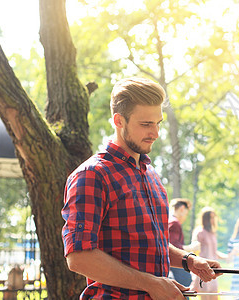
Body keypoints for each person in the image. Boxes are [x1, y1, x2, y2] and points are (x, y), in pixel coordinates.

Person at [61, 77, 220, 300]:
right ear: (119, 121)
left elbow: (150, 244)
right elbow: (79, 257)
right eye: (146, 124)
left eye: (158, 123)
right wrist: (152, 284)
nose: (155, 133)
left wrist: (188, 260)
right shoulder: (92, 175)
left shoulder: (152, 176)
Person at [190, 207, 228, 300]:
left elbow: (214, 251)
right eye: (210, 217)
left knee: (215, 296)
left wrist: (227, 256)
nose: (212, 220)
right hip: (203, 269)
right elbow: (195, 250)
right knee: (205, 297)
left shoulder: (212, 233)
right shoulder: (199, 232)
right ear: (205, 218)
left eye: (213, 217)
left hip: (213, 269)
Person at [168, 198, 193, 286]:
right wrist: (190, 248)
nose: (185, 218)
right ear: (182, 209)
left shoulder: (167, 220)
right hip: (175, 272)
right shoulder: (174, 223)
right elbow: (172, 246)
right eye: (186, 214)